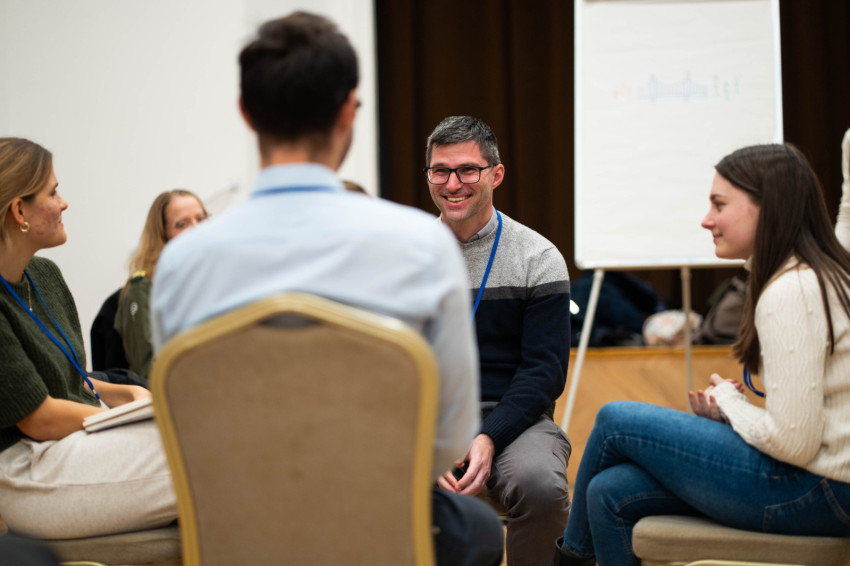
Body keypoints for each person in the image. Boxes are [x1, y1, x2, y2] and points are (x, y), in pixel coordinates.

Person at [150, 12, 503, 566]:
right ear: (347, 112)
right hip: (378, 532)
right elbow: (447, 438)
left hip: (242, 535)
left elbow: (187, 433)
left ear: (246, 113)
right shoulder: (423, 248)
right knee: (479, 530)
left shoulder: (181, 264)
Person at [554, 143, 850, 566]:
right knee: (609, 491)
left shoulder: (791, 290)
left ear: (769, 206)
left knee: (615, 419)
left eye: (719, 204)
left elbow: (793, 442)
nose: (706, 219)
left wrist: (731, 404)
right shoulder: (824, 268)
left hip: (818, 490)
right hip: (825, 485)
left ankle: (567, 561)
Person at [0, 137, 177, 539]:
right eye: (53, 192)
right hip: (26, 468)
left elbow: (72, 380)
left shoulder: (45, 275)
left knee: (205, 432)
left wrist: (128, 395)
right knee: (204, 449)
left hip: (69, 441)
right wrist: (120, 421)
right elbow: (39, 417)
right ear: (19, 211)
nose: (64, 203)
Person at [424, 116, 572, 566]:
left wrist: (489, 436)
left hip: (516, 418)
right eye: (440, 171)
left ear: (496, 174)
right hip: (427, 417)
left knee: (540, 486)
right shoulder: (407, 257)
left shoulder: (538, 258)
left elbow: (544, 372)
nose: (453, 184)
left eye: (468, 170)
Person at [114, 189, 207, 378]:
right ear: (163, 235)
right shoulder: (144, 286)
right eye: (182, 224)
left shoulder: (214, 275)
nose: (197, 228)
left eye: (201, 219)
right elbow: (147, 368)